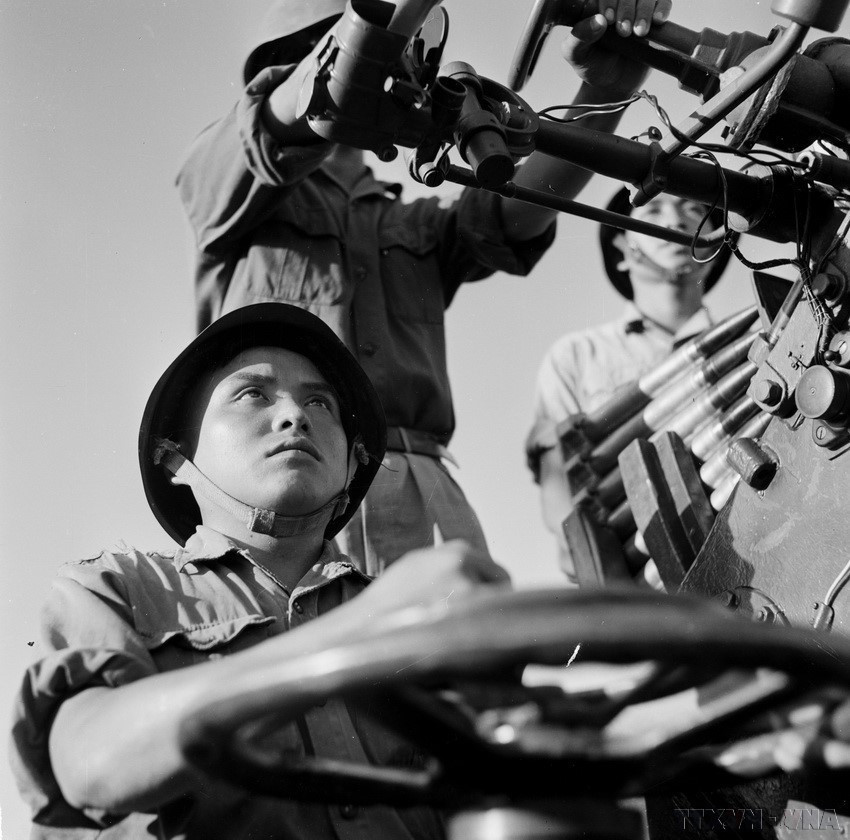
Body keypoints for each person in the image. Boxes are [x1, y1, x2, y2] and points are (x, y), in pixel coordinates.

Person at [176, 0, 674, 575]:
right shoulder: (232, 191)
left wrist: (604, 93)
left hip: (416, 485)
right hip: (277, 484)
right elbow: (260, 135)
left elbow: (513, 211)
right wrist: (345, 62)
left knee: (469, 632)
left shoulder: (413, 224)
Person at [10, 302, 509, 839]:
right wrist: (356, 635)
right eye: (252, 394)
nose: (295, 416)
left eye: (320, 402)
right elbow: (92, 764)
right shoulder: (116, 589)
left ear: (353, 462)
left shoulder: (425, 614)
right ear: (176, 457)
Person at [526, 188, 732, 581]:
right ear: (621, 248)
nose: (676, 221)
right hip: (639, 581)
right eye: (652, 210)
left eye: (694, 208)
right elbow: (564, 506)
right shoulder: (578, 356)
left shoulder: (751, 348)